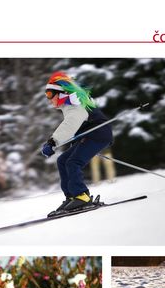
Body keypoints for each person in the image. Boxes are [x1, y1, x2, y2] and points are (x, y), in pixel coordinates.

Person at [39, 71, 114, 214]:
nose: (48, 99)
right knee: (62, 160)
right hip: (90, 135)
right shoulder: (71, 104)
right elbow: (75, 126)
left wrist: (52, 142)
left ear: (61, 93)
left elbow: (69, 125)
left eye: (49, 94)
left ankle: (82, 196)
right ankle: (72, 197)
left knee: (72, 162)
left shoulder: (75, 104)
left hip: (98, 134)